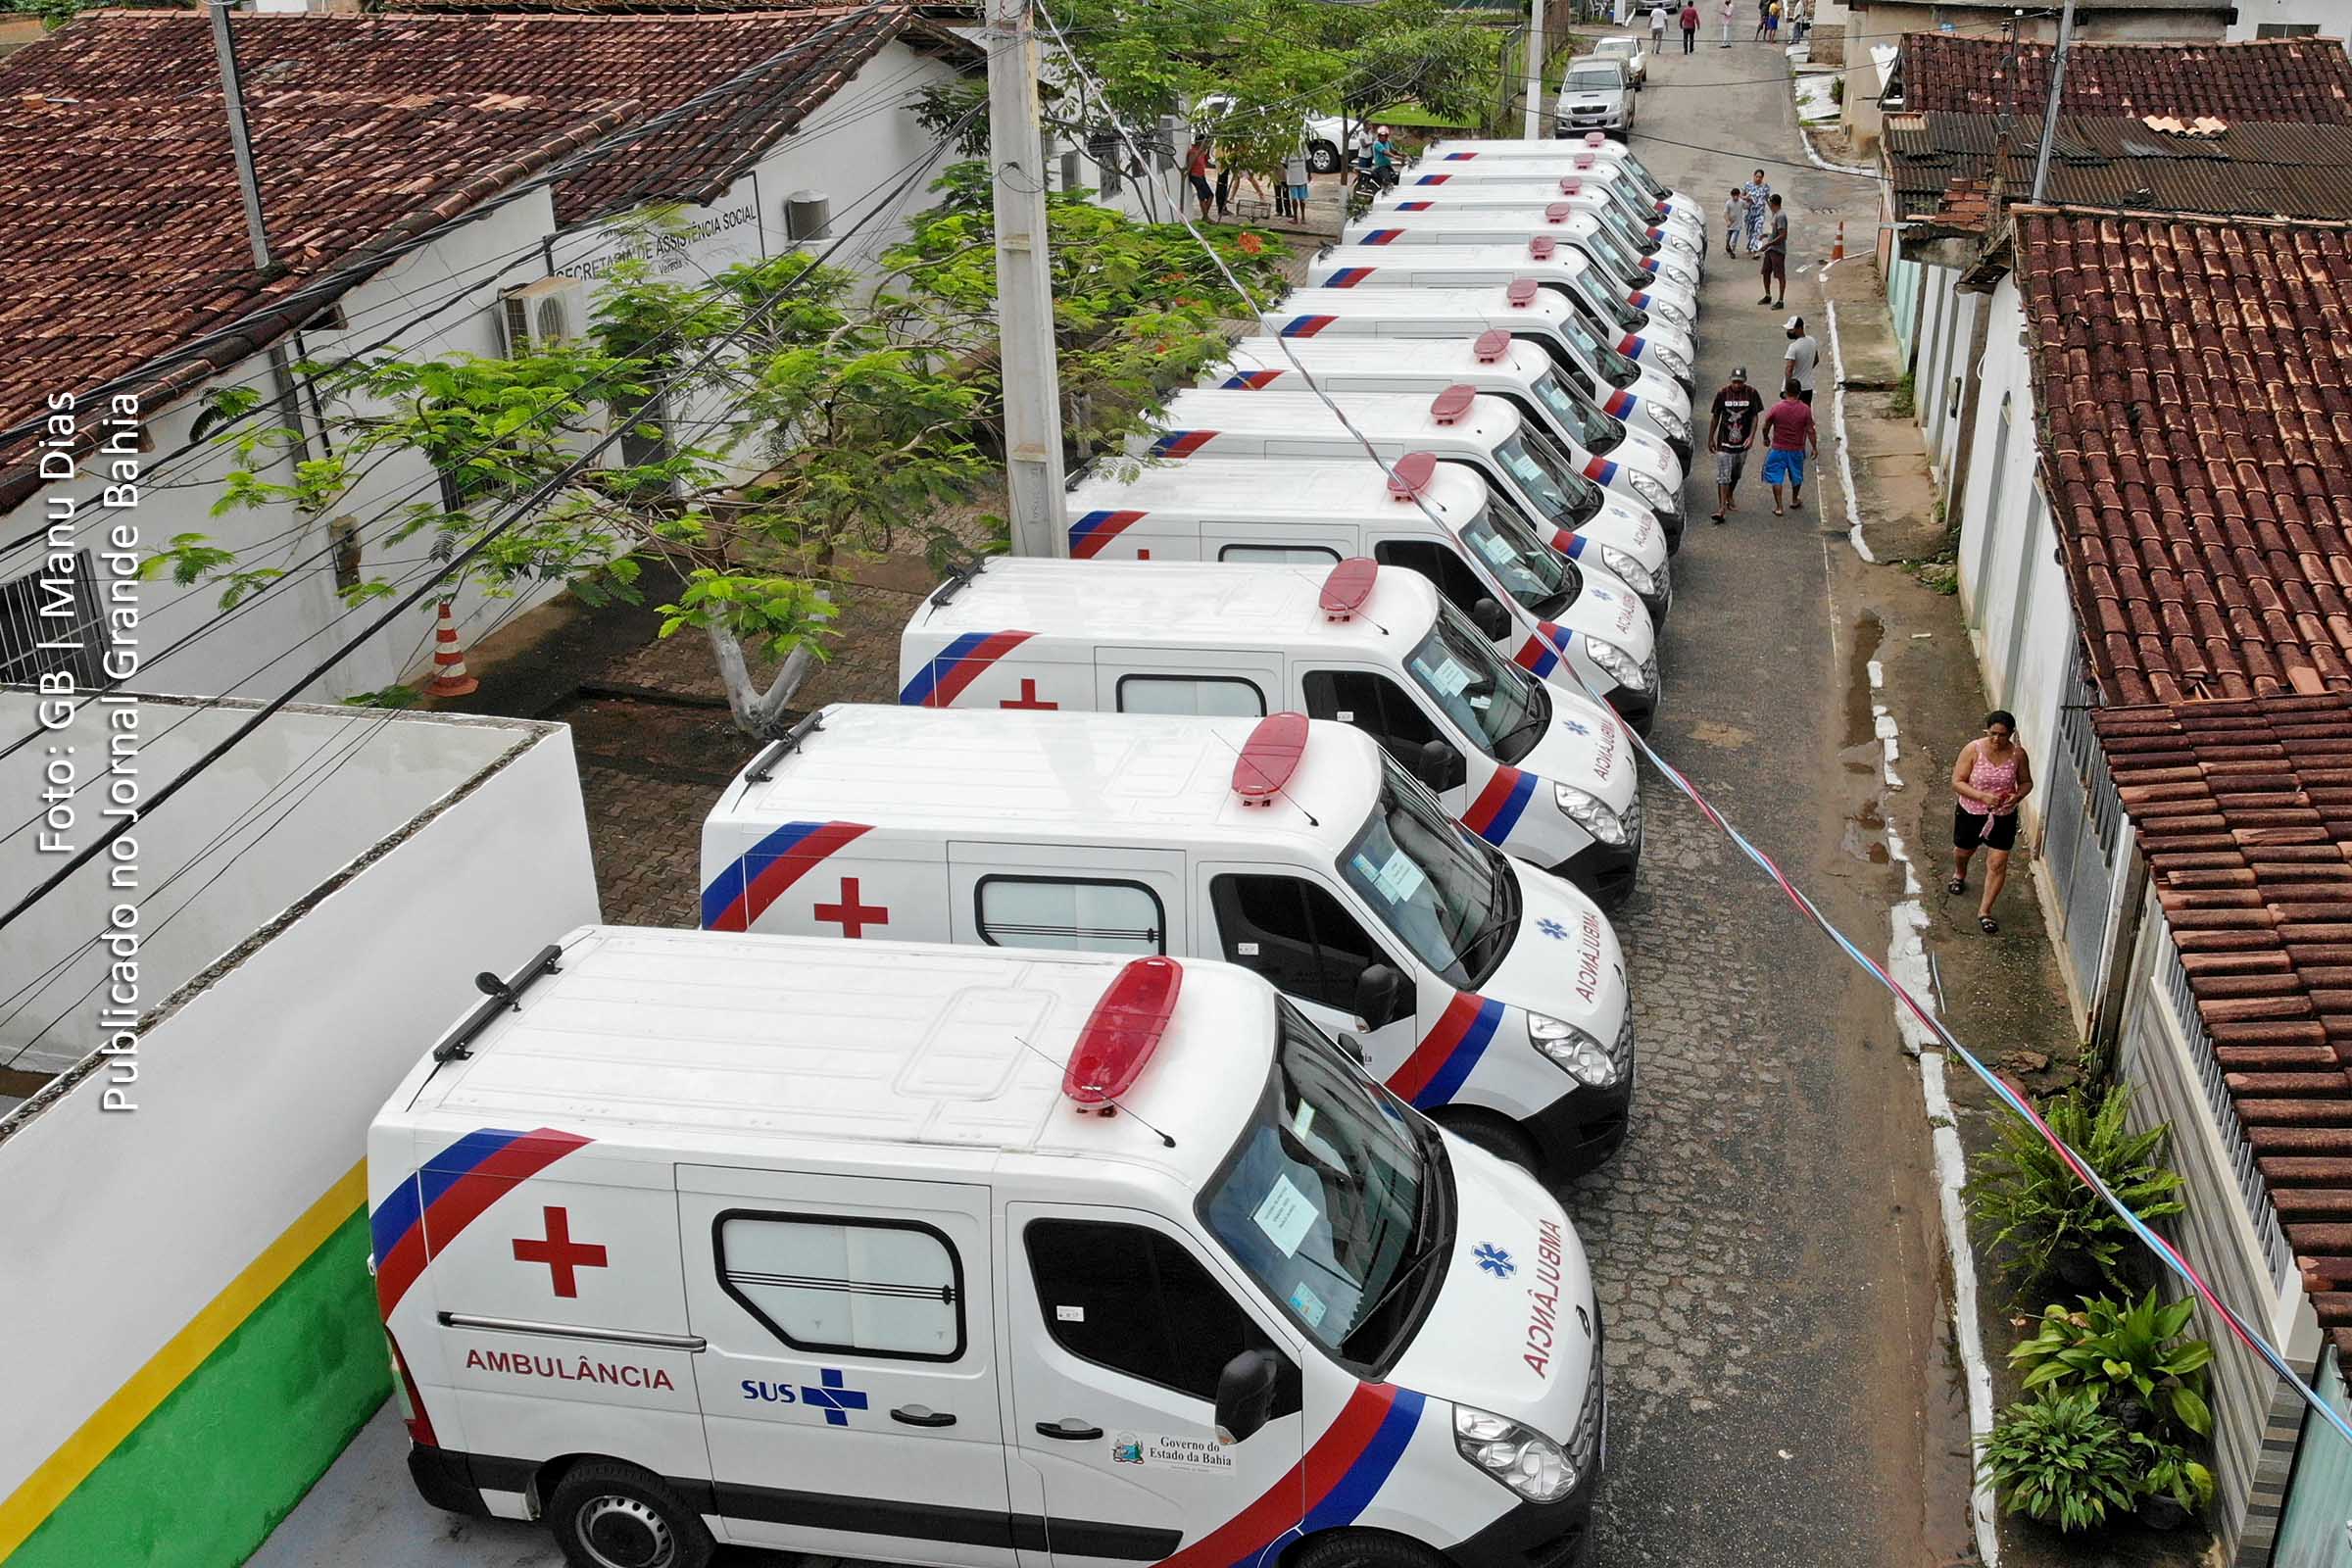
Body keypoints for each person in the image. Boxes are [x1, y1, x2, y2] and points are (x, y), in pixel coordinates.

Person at [1949, 711, 2034, 934]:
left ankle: (1985, 911)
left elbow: (2026, 782)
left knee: (1997, 863)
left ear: (2011, 734)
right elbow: (1957, 782)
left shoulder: (2017, 754)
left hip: (2003, 816)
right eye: (1992, 734)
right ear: (1986, 731)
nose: (1997, 740)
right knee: (1964, 851)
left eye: (2003, 735)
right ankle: (1959, 874)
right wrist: (1981, 796)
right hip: (1971, 812)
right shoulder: (1973, 750)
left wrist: (2018, 796)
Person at [1706, 367, 1765, 522]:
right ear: (1730, 380)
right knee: (1723, 476)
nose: (1737, 385)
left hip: (1742, 444)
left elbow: (1754, 417)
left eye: (1740, 382)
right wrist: (1710, 438)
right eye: (1735, 382)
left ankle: (1729, 494)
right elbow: (1715, 417)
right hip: (1724, 443)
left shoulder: (1752, 393)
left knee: (1735, 474)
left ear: (1744, 381)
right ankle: (1721, 508)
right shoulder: (1722, 394)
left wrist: (1751, 437)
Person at [1759, 380, 1816, 513]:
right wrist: (1814, 447)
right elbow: (1810, 430)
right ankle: (1794, 499)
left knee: (1776, 476)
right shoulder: (1805, 410)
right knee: (1796, 475)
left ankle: (1779, 507)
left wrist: (1766, 437)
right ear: (1799, 393)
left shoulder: (1777, 408)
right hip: (1796, 450)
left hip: (1778, 448)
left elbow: (1766, 425)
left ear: (1785, 392)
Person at [1759, 191, 1788, 307]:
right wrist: (1766, 235)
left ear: (1774, 204)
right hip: (1770, 249)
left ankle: (1781, 300)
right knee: (1766, 272)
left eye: (1770, 203)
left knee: (1780, 275)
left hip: (1777, 250)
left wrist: (1768, 244)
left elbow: (1783, 235)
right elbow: (1774, 232)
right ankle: (1768, 295)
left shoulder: (1781, 216)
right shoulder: (1775, 214)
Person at [1783, 316, 1819, 404]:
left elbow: (1789, 369)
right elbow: (1816, 359)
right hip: (1808, 387)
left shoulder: (1793, 347)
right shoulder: (1812, 341)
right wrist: (1806, 370)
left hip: (1794, 389)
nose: (1788, 332)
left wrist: (1787, 388)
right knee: (1805, 413)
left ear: (1799, 329)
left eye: (1791, 329)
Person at [1185, 136, 1214, 221]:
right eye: (1206, 143)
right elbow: (1190, 164)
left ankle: (1205, 216)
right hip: (1195, 176)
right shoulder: (1193, 152)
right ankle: (1205, 216)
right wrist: (1187, 172)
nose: (1207, 145)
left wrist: (1207, 151)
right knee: (1207, 196)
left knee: (1207, 196)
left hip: (1201, 175)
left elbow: (1205, 162)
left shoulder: (1201, 151)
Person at [1741, 169, 1771, 251]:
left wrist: (1774, 211)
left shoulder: (1765, 187)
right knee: (1750, 231)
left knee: (1758, 230)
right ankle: (1751, 245)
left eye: (1760, 177)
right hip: (1749, 213)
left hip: (1760, 213)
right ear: (1754, 176)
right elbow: (1741, 196)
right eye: (1757, 176)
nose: (1758, 178)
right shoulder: (1748, 185)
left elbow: (1767, 198)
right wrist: (1746, 198)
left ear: (1762, 178)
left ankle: (1756, 250)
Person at [1283, 145, 1311, 221]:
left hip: (1292, 177)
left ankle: (1295, 218)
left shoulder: (1287, 145)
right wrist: (1309, 173)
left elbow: (1284, 163)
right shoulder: (1302, 144)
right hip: (1302, 176)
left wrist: (1290, 168)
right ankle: (1303, 218)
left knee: (1294, 198)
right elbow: (1308, 159)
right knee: (1302, 198)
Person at [1723, 185, 1747, 254]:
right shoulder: (1728, 203)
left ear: (1739, 195)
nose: (1735, 197)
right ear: (1731, 195)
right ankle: (1727, 245)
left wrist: (1749, 200)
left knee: (1734, 239)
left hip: (1738, 224)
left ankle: (1733, 251)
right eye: (1734, 196)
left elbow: (1746, 206)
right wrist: (1727, 221)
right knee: (1728, 237)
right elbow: (1725, 213)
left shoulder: (1741, 202)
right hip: (1731, 224)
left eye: (1737, 195)